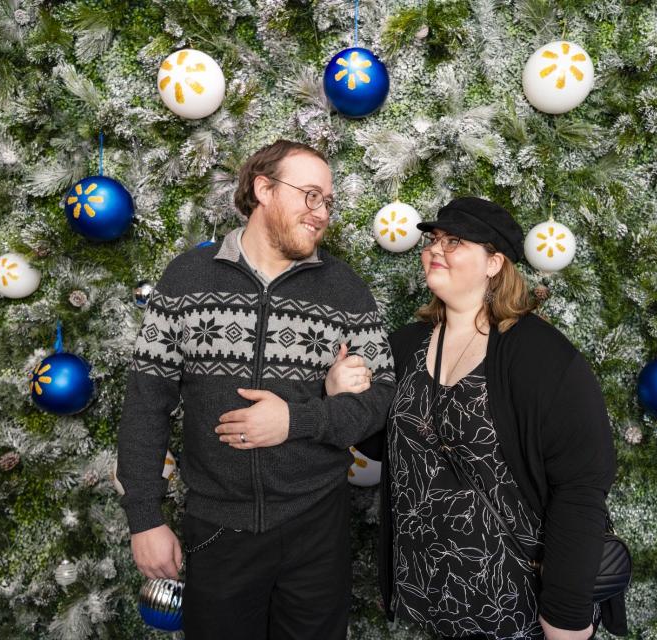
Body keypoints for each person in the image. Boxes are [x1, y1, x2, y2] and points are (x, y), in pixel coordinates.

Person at [116, 139, 396, 640]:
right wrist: (143, 518)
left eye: (327, 201)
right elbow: (145, 405)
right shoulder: (187, 279)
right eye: (310, 195)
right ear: (263, 188)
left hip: (317, 524)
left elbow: (382, 396)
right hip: (218, 529)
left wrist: (299, 419)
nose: (321, 213)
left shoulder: (344, 289)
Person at [338, 197, 619, 640]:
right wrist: (342, 395)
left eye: (454, 241)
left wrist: (565, 616)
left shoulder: (541, 356)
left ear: (494, 263)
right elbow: (381, 447)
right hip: (430, 598)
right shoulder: (405, 344)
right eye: (432, 240)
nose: (434, 249)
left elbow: (581, 488)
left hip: (514, 605)